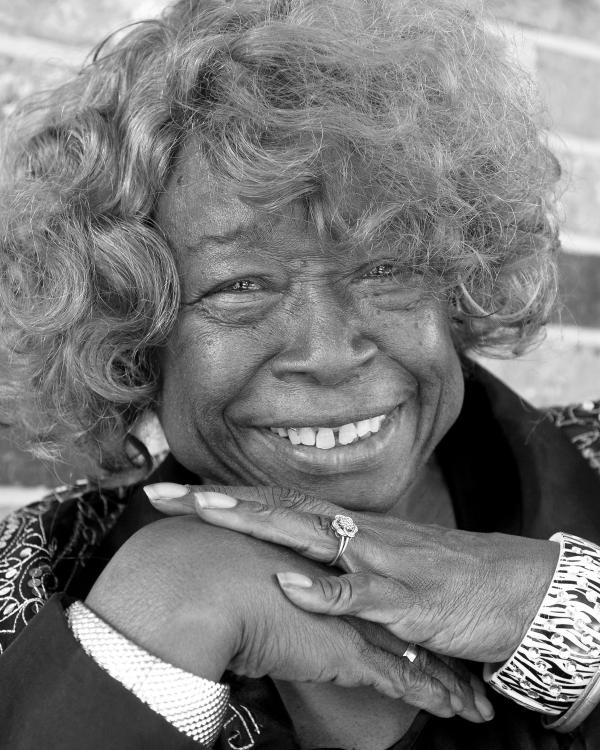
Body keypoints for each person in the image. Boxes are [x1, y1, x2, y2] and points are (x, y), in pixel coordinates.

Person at [1, 0, 599, 747]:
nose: (330, 351)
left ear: (460, 284)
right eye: (239, 286)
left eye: (388, 266)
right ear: (133, 333)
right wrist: (157, 622)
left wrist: (563, 615)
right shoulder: (36, 576)